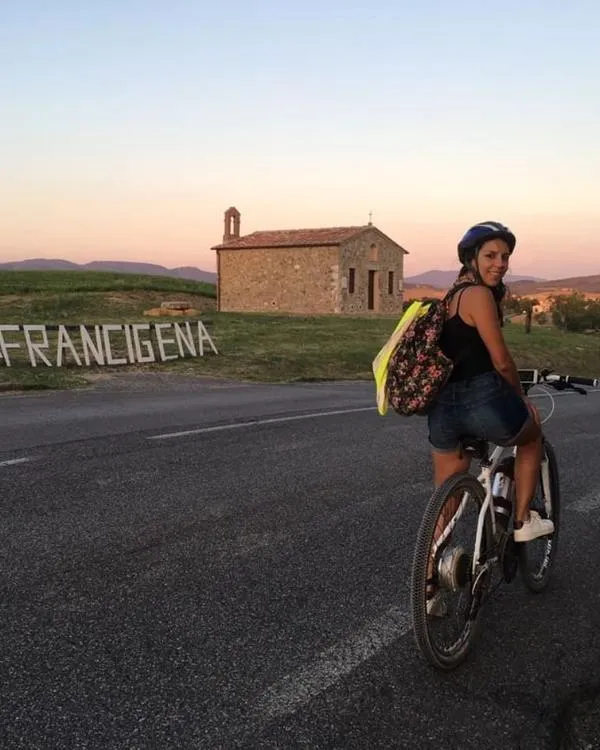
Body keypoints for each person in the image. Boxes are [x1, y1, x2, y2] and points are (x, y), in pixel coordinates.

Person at [427, 220, 554, 536]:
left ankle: (430, 561)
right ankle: (523, 521)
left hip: (442, 408)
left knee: (446, 501)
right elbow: (501, 361)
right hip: (481, 400)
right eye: (491, 255)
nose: (500, 264)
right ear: (472, 258)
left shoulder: (450, 297)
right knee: (532, 434)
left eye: (505, 257)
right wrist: (520, 398)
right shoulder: (479, 295)